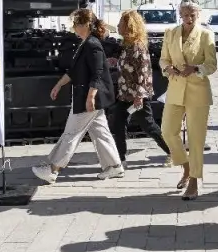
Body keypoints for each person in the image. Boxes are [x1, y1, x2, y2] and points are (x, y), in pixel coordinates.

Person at [32, 9, 125, 183]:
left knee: (71, 133)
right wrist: (59, 85)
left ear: (86, 25)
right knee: (101, 133)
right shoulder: (86, 43)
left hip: (88, 97)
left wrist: (90, 97)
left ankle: (52, 169)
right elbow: (75, 71)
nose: (74, 27)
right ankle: (114, 166)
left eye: (76, 23)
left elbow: (97, 73)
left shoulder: (92, 44)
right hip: (87, 95)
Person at [160, 0, 218, 200]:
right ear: (180, 14)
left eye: (192, 14)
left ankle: (194, 180)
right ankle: (185, 166)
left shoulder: (206, 35)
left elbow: (211, 65)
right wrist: (168, 68)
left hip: (198, 92)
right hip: (175, 89)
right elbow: (163, 59)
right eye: (185, 14)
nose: (189, 18)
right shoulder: (171, 33)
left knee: (196, 139)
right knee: (167, 131)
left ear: (198, 14)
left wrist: (195, 69)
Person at [108, 9, 169, 162]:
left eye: (121, 23)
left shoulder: (138, 46)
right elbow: (130, 67)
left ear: (129, 26)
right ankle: (120, 159)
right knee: (118, 123)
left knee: (148, 126)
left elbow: (144, 73)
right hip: (125, 95)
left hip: (136, 96)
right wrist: (117, 63)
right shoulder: (127, 45)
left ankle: (174, 151)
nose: (118, 25)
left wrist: (139, 97)